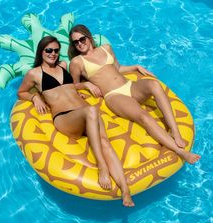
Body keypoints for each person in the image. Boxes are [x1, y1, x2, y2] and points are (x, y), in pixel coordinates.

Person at [17, 36, 134, 207]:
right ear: (41, 52)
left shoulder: (63, 66)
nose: (53, 54)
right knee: (91, 110)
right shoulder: (34, 74)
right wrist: (35, 97)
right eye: (48, 50)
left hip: (86, 113)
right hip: (65, 118)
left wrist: (86, 86)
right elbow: (21, 92)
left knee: (105, 142)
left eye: (56, 50)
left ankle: (125, 192)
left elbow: (75, 84)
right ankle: (102, 167)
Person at [68, 25, 201, 164]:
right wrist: (87, 84)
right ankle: (181, 151)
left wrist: (136, 66)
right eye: (75, 42)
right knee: (143, 116)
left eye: (82, 39)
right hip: (114, 96)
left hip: (129, 85)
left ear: (89, 37)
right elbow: (74, 84)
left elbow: (118, 68)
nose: (79, 44)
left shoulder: (106, 48)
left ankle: (174, 131)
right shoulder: (77, 62)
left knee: (154, 85)